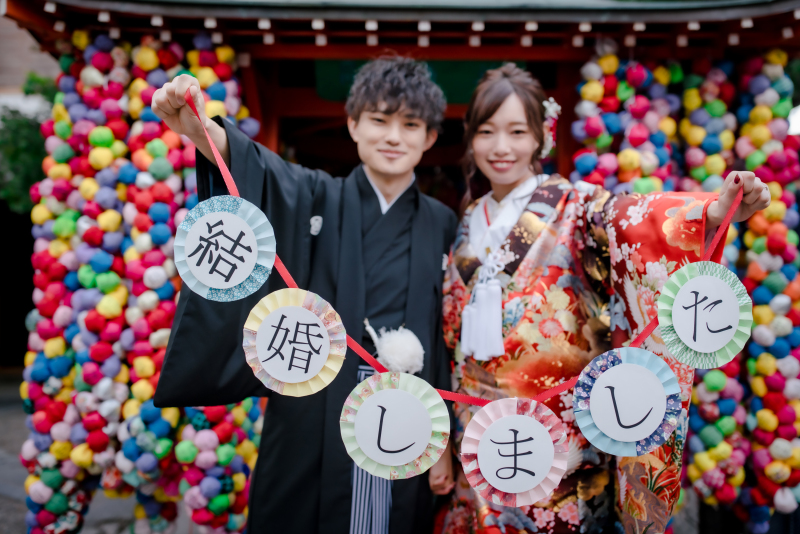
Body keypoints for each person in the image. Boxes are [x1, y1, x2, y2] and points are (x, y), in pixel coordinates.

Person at [437, 64, 770, 534]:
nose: (501, 147)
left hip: (557, 441)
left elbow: (631, 218)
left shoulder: (576, 206)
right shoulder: (469, 219)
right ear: (471, 138)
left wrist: (710, 212)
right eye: (487, 132)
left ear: (541, 137)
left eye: (517, 131)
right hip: (477, 436)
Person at [151, 57, 457, 534]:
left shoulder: (442, 222)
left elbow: (443, 337)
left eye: (411, 125)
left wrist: (442, 438)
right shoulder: (316, 194)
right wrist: (202, 131)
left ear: (431, 137)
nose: (394, 137)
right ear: (353, 125)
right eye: (379, 120)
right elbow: (262, 172)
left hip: (403, 412)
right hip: (314, 400)